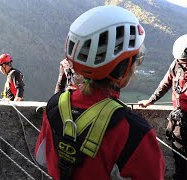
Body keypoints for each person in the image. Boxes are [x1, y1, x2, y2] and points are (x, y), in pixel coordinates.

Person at [35, 6, 165, 180]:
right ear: (123, 68)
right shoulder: (134, 132)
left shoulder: (55, 106)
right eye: (136, 60)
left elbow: (41, 157)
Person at [138, 34, 187, 180]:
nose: (182, 63)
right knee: (178, 155)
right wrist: (150, 101)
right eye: (181, 60)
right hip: (180, 120)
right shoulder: (177, 64)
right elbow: (165, 84)